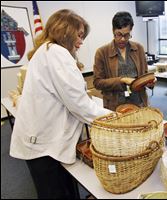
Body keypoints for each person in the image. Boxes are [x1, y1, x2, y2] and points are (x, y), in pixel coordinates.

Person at [9, 9, 111, 199]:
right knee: (55, 193)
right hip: (43, 145)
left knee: (59, 190)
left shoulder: (45, 51)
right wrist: (113, 117)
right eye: (79, 35)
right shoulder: (56, 53)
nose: (81, 41)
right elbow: (79, 105)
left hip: (39, 140)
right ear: (65, 31)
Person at [93, 11, 155, 111]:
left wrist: (149, 82)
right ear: (113, 31)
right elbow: (97, 82)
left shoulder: (138, 49)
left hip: (139, 103)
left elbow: (144, 75)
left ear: (131, 31)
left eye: (126, 35)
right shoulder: (102, 52)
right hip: (115, 105)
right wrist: (121, 80)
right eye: (119, 34)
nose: (122, 39)